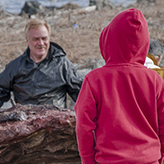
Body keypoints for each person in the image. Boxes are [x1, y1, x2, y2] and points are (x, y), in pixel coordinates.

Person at [75, 8, 164, 164]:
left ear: (109, 39)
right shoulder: (155, 80)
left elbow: (83, 126)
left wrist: (88, 160)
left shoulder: (94, 79)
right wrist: (159, 155)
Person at [0, 19, 82, 108]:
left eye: (44, 38)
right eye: (36, 39)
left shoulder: (63, 64)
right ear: (27, 40)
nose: (41, 43)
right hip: (25, 118)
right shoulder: (15, 67)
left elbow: (81, 95)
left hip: (56, 119)